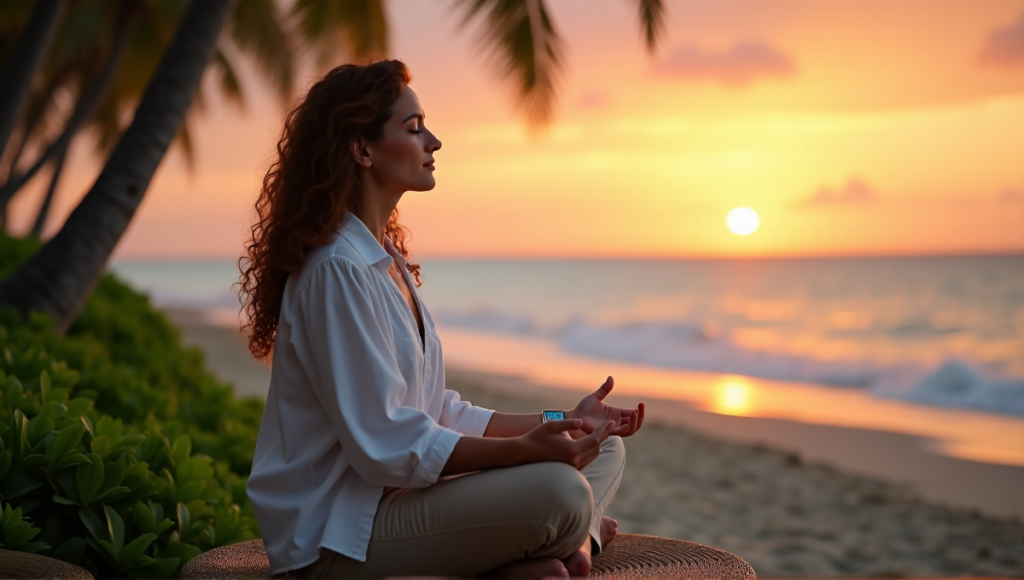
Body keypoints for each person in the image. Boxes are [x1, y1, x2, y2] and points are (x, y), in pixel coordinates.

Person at [239, 59, 646, 579]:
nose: (434, 142)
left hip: (405, 501)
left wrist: (560, 420)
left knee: (602, 447)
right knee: (561, 491)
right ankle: (573, 537)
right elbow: (384, 447)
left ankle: (572, 542)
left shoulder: (384, 264)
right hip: (339, 534)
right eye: (414, 128)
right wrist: (521, 453)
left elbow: (442, 414)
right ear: (362, 149)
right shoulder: (336, 271)